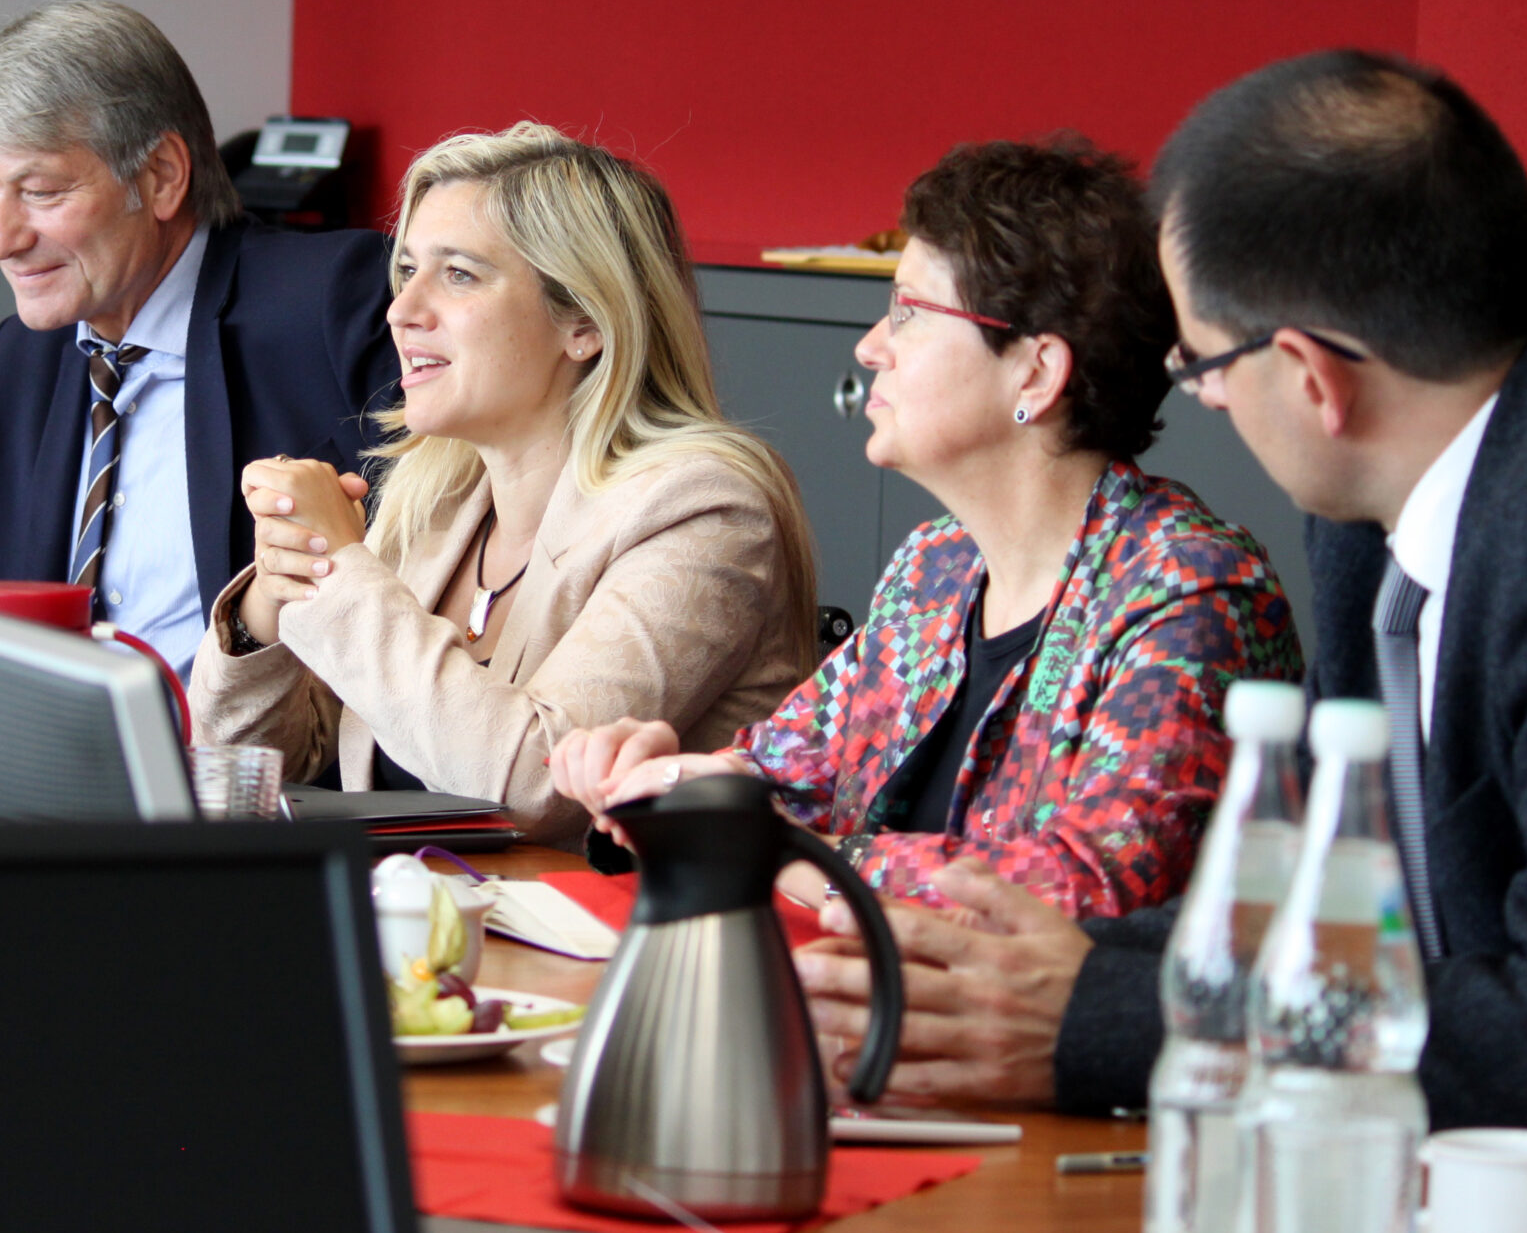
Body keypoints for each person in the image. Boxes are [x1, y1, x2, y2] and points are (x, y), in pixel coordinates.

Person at [792, 51, 1527, 1147]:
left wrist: (1104, 1020)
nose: (1199, 393)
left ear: (1308, 377)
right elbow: (1313, 902)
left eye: (1200, 362)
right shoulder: (1372, 509)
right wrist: (1035, 969)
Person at [553, 139, 1302, 918]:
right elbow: (784, 771)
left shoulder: (1192, 591)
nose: (871, 345)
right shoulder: (935, 566)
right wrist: (669, 779)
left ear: (1036, 372)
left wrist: (790, 855)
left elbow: (1093, 885)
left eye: (907, 312)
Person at [188, 124, 817, 843]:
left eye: (457, 273)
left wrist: (338, 576)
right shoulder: (435, 501)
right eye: (407, 271)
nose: (401, 309)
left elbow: (532, 782)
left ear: (584, 320)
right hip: (424, 937)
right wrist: (263, 611)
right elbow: (253, 772)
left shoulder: (704, 511)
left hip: (612, 947)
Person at [0, 0, 399, 676]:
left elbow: (430, 573)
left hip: (257, 766)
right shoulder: (17, 362)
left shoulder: (333, 303)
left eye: (40, 191)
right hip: (43, 763)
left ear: (162, 175)